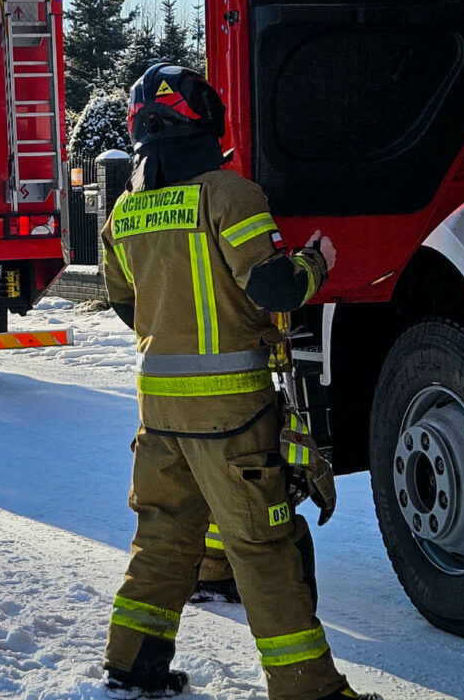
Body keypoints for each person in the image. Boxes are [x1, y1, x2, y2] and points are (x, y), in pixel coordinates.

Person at [99, 63, 376, 700]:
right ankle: (308, 689)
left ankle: (131, 666)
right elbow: (274, 287)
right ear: (208, 122)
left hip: (158, 416)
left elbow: (125, 303)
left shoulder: (125, 212)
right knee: (262, 547)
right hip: (233, 418)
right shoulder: (231, 197)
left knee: (164, 542)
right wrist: (318, 262)